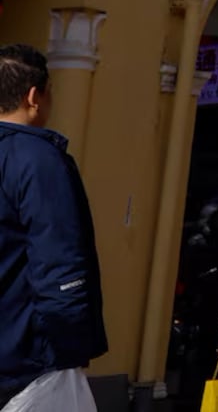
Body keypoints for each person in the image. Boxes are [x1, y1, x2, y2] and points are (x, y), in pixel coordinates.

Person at [0, 44, 107, 412]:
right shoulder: (39, 160)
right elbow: (59, 262)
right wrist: (73, 344)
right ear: (34, 96)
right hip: (29, 359)